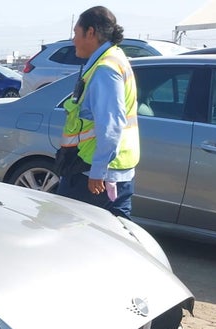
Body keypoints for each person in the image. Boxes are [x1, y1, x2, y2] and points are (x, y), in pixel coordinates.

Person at [55, 6, 139, 217]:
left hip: (92, 174)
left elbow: (111, 123)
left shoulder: (105, 69)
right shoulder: (116, 57)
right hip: (116, 169)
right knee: (117, 237)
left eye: (76, 33)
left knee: (67, 230)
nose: (73, 40)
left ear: (90, 32)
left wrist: (98, 171)